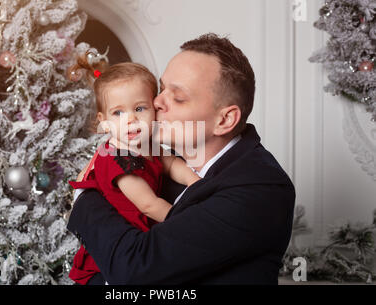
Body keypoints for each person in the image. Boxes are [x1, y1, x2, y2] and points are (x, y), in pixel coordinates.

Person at [67, 33, 296, 285]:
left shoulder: (259, 188)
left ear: (224, 120)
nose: (156, 102)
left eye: (177, 97)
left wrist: (84, 197)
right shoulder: (158, 160)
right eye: (161, 88)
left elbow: (136, 269)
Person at [67, 62, 200, 285]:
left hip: (143, 233)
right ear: (105, 123)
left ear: (154, 110)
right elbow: (148, 204)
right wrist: (187, 222)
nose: (130, 120)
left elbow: (171, 164)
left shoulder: (147, 144)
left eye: (139, 108)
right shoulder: (117, 158)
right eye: (118, 113)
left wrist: (195, 181)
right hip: (112, 257)